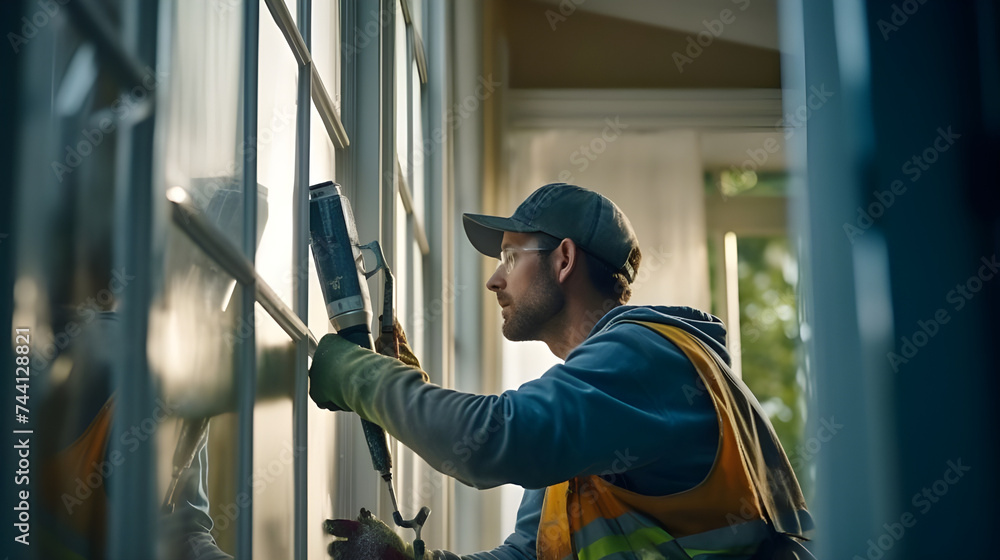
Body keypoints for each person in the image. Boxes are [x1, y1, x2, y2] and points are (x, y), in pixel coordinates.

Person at [309, 183, 815, 559]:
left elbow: (488, 441)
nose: (494, 279)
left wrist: (356, 375)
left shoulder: (646, 358)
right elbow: (530, 555)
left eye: (510, 255)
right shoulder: (589, 410)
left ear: (564, 259)